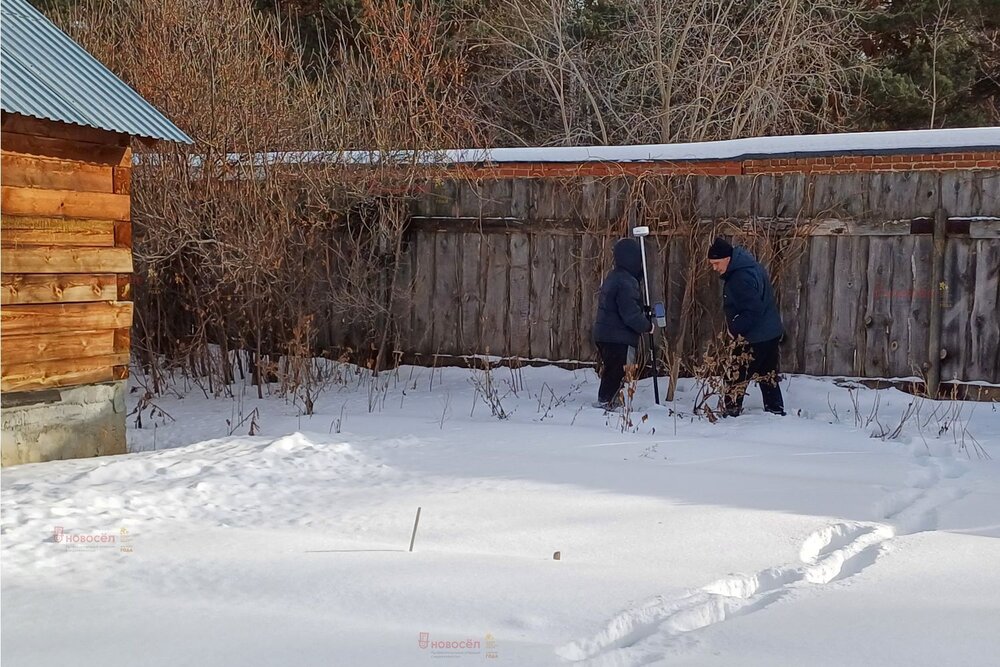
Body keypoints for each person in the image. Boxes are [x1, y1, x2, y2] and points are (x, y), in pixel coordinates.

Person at [707, 237, 786, 417]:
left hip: (755, 337)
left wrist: (734, 328)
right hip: (770, 332)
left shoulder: (739, 278)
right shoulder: (751, 267)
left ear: (727, 258)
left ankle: (730, 412)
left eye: (717, 263)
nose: (715, 268)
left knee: (736, 376)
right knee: (768, 376)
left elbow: (752, 310)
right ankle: (775, 411)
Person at [592, 238, 653, 409]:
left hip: (605, 334)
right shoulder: (626, 282)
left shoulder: (615, 277)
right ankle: (609, 401)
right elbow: (630, 314)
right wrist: (647, 325)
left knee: (612, 368)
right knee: (619, 369)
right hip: (618, 337)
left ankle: (607, 398)